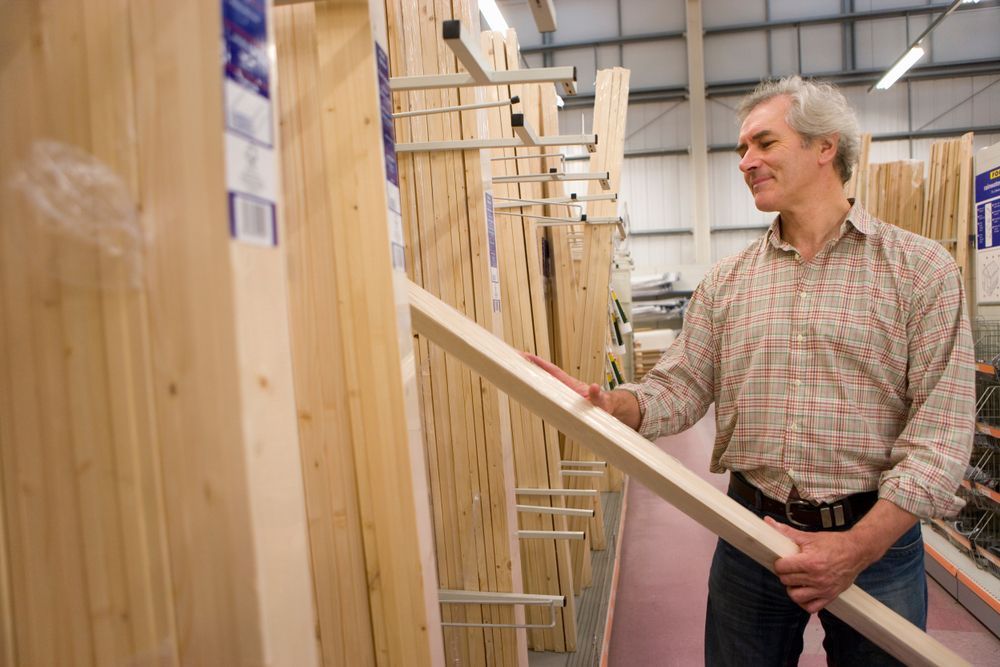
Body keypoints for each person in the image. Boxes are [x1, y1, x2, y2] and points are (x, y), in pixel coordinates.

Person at [527, 75, 975, 665]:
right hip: (750, 534)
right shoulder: (729, 280)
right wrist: (619, 406)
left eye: (763, 143)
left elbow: (940, 437)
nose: (746, 161)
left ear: (825, 147)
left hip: (878, 542)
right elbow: (680, 385)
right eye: (742, 149)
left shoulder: (921, 271)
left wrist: (856, 548)